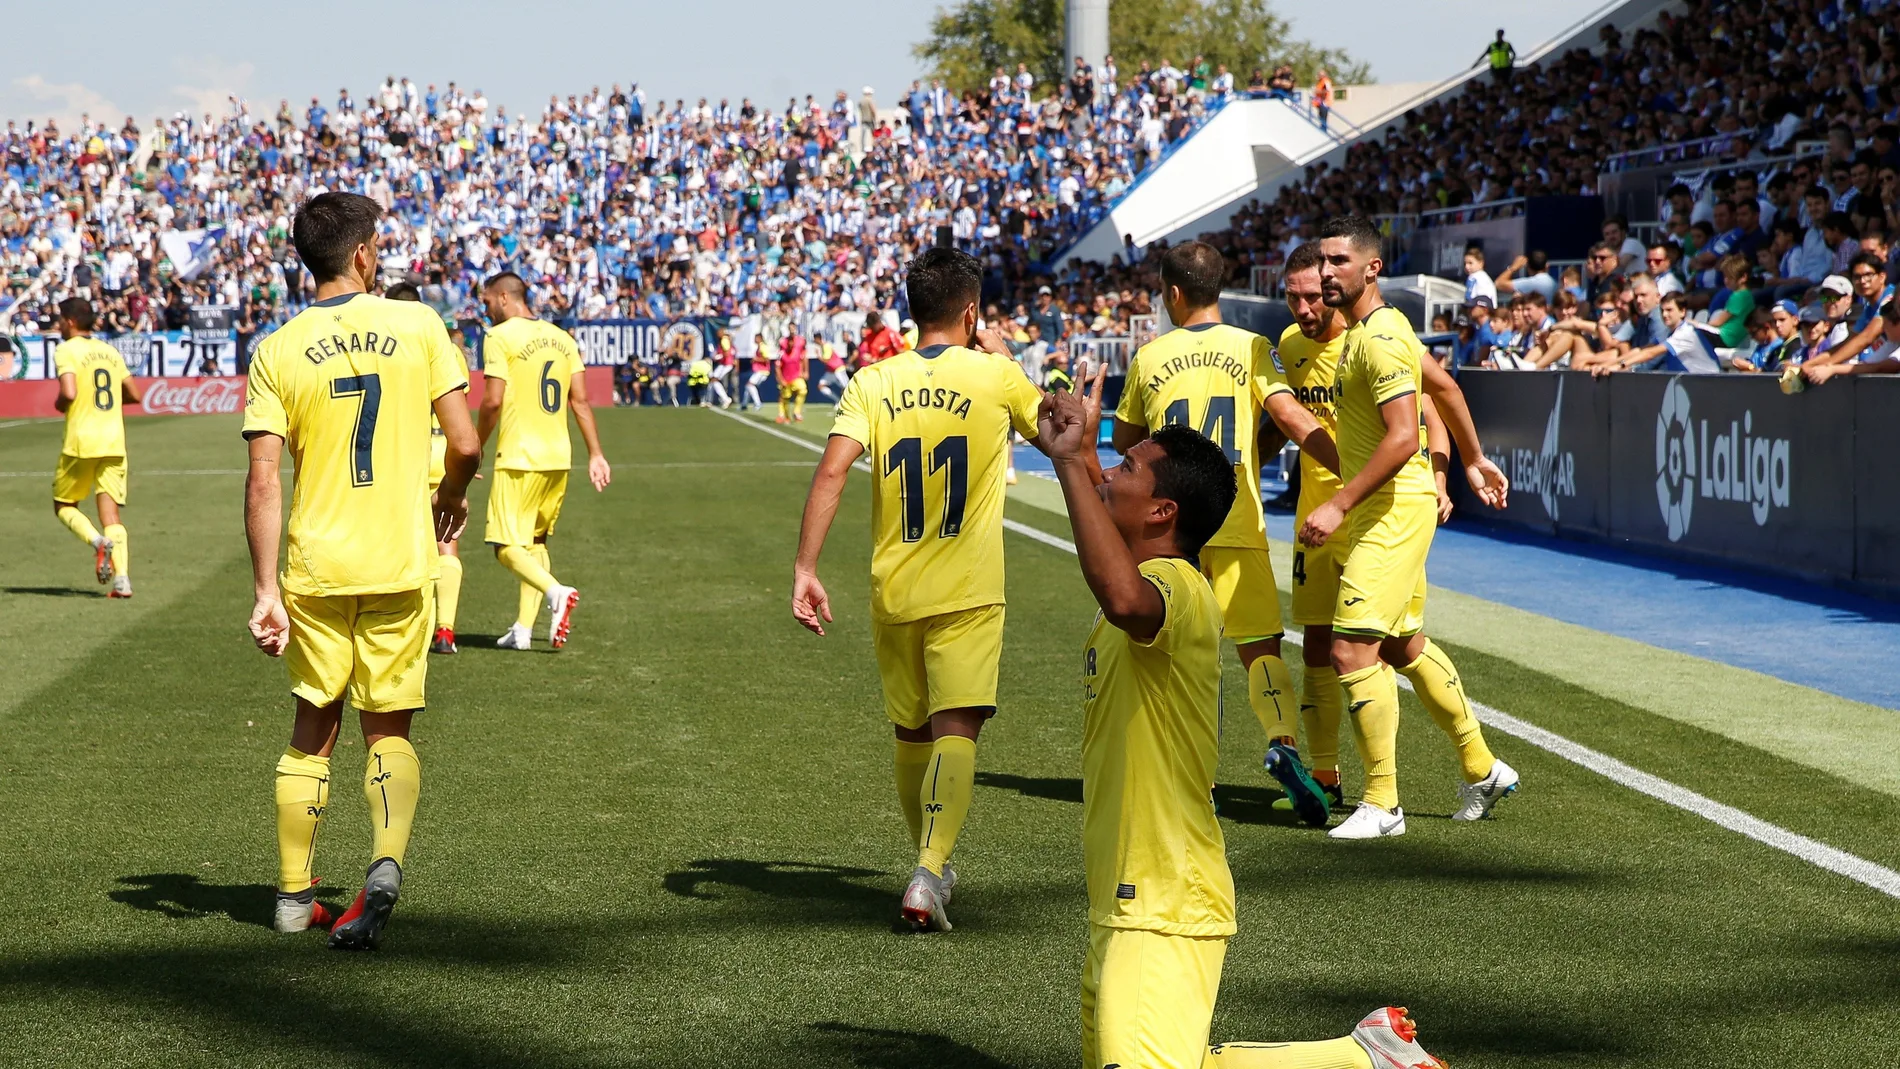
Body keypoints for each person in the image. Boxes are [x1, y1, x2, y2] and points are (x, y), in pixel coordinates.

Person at [1037, 379, 1449, 1069]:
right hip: (1131, 897)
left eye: (1126, 467)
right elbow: (1111, 554)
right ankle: (1361, 1058)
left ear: (1163, 509)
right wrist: (1075, 450)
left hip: (1161, 899)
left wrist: (1065, 465)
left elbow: (1120, 594)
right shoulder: (1154, 575)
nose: (1109, 472)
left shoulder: (1174, 590)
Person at [242, 191, 480, 949]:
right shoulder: (417, 323)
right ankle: (382, 863)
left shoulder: (276, 348)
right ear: (366, 254)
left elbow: (263, 479)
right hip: (400, 560)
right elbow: (467, 443)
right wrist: (448, 495)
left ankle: (291, 897)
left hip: (316, 565)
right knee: (389, 729)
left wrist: (263, 590)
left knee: (313, 729)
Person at [790, 247, 1045, 932]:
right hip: (968, 588)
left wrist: (806, 569)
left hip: (894, 588)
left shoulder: (873, 380)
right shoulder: (996, 375)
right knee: (957, 728)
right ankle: (929, 870)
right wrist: (1008, 357)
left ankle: (930, 863)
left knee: (911, 733)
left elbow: (833, 471)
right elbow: (1062, 432)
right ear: (970, 312)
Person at [1301, 215, 1517, 840]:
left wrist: (1338, 504)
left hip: (1392, 511)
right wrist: (1473, 459)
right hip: (1391, 507)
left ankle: (1382, 803)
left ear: (1372, 267)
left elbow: (1401, 438)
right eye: (1321, 261)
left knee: (1349, 648)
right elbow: (1444, 385)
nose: (1325, 273)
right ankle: (1482, 768)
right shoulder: (1382, 329)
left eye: (1337, 261)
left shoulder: (1379, 339)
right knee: (1401, 645)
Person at [1112, 240, 1340, 820]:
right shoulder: (1253, 346)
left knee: (1179, 652)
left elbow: (1126, 444)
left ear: (1172, 293)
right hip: (1235, 517)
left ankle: (1195, 777)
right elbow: (1291, 418)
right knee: (1260, 646)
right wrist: (1353, 468)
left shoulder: (1150, 356)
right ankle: (1283, 741)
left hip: (1171, 531)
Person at [476, 271, 612, 652]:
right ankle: (523, 628)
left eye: (488, 302)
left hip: (519, 456)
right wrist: (596, 454)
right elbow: (580, 401)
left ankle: (556, 592)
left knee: (504, 546)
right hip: (559, 457)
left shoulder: (500, 337)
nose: (486, 311)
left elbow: (492, 401)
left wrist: (476, 444)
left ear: (504, 297)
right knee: (535, 542)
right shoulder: (563, 338)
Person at [386, 281, 471, 655]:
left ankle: (405, 632)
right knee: (446, 545)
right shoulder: (448, 349)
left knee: (403, 545)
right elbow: (457, 410)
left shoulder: (383, 348)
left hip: (406, 454)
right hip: (444, 451)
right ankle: (446, 631)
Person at [50, 296, 142, 598]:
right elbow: (133, 394)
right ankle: (123, 580)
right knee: (111, 516)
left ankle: (96, 542)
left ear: (71, 321)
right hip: (114, 441)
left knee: (64, 506)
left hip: (81, 441)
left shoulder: (66, 350)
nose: (58, 324)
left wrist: (60, 403)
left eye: (60, 319)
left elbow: (69, 391)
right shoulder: (108, 351)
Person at [776, 330, 809, 423]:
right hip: (785, 379)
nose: (791, 344)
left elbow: (803, 360)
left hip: (796, 377)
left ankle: (796, 412)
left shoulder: (798, 351)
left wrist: (804, 371)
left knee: (803, 390)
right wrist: (780, 379)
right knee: (785, 397)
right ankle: (784, 416)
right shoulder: (781, 353)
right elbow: (777, 367)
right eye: (789, 342)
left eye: (792, 342)